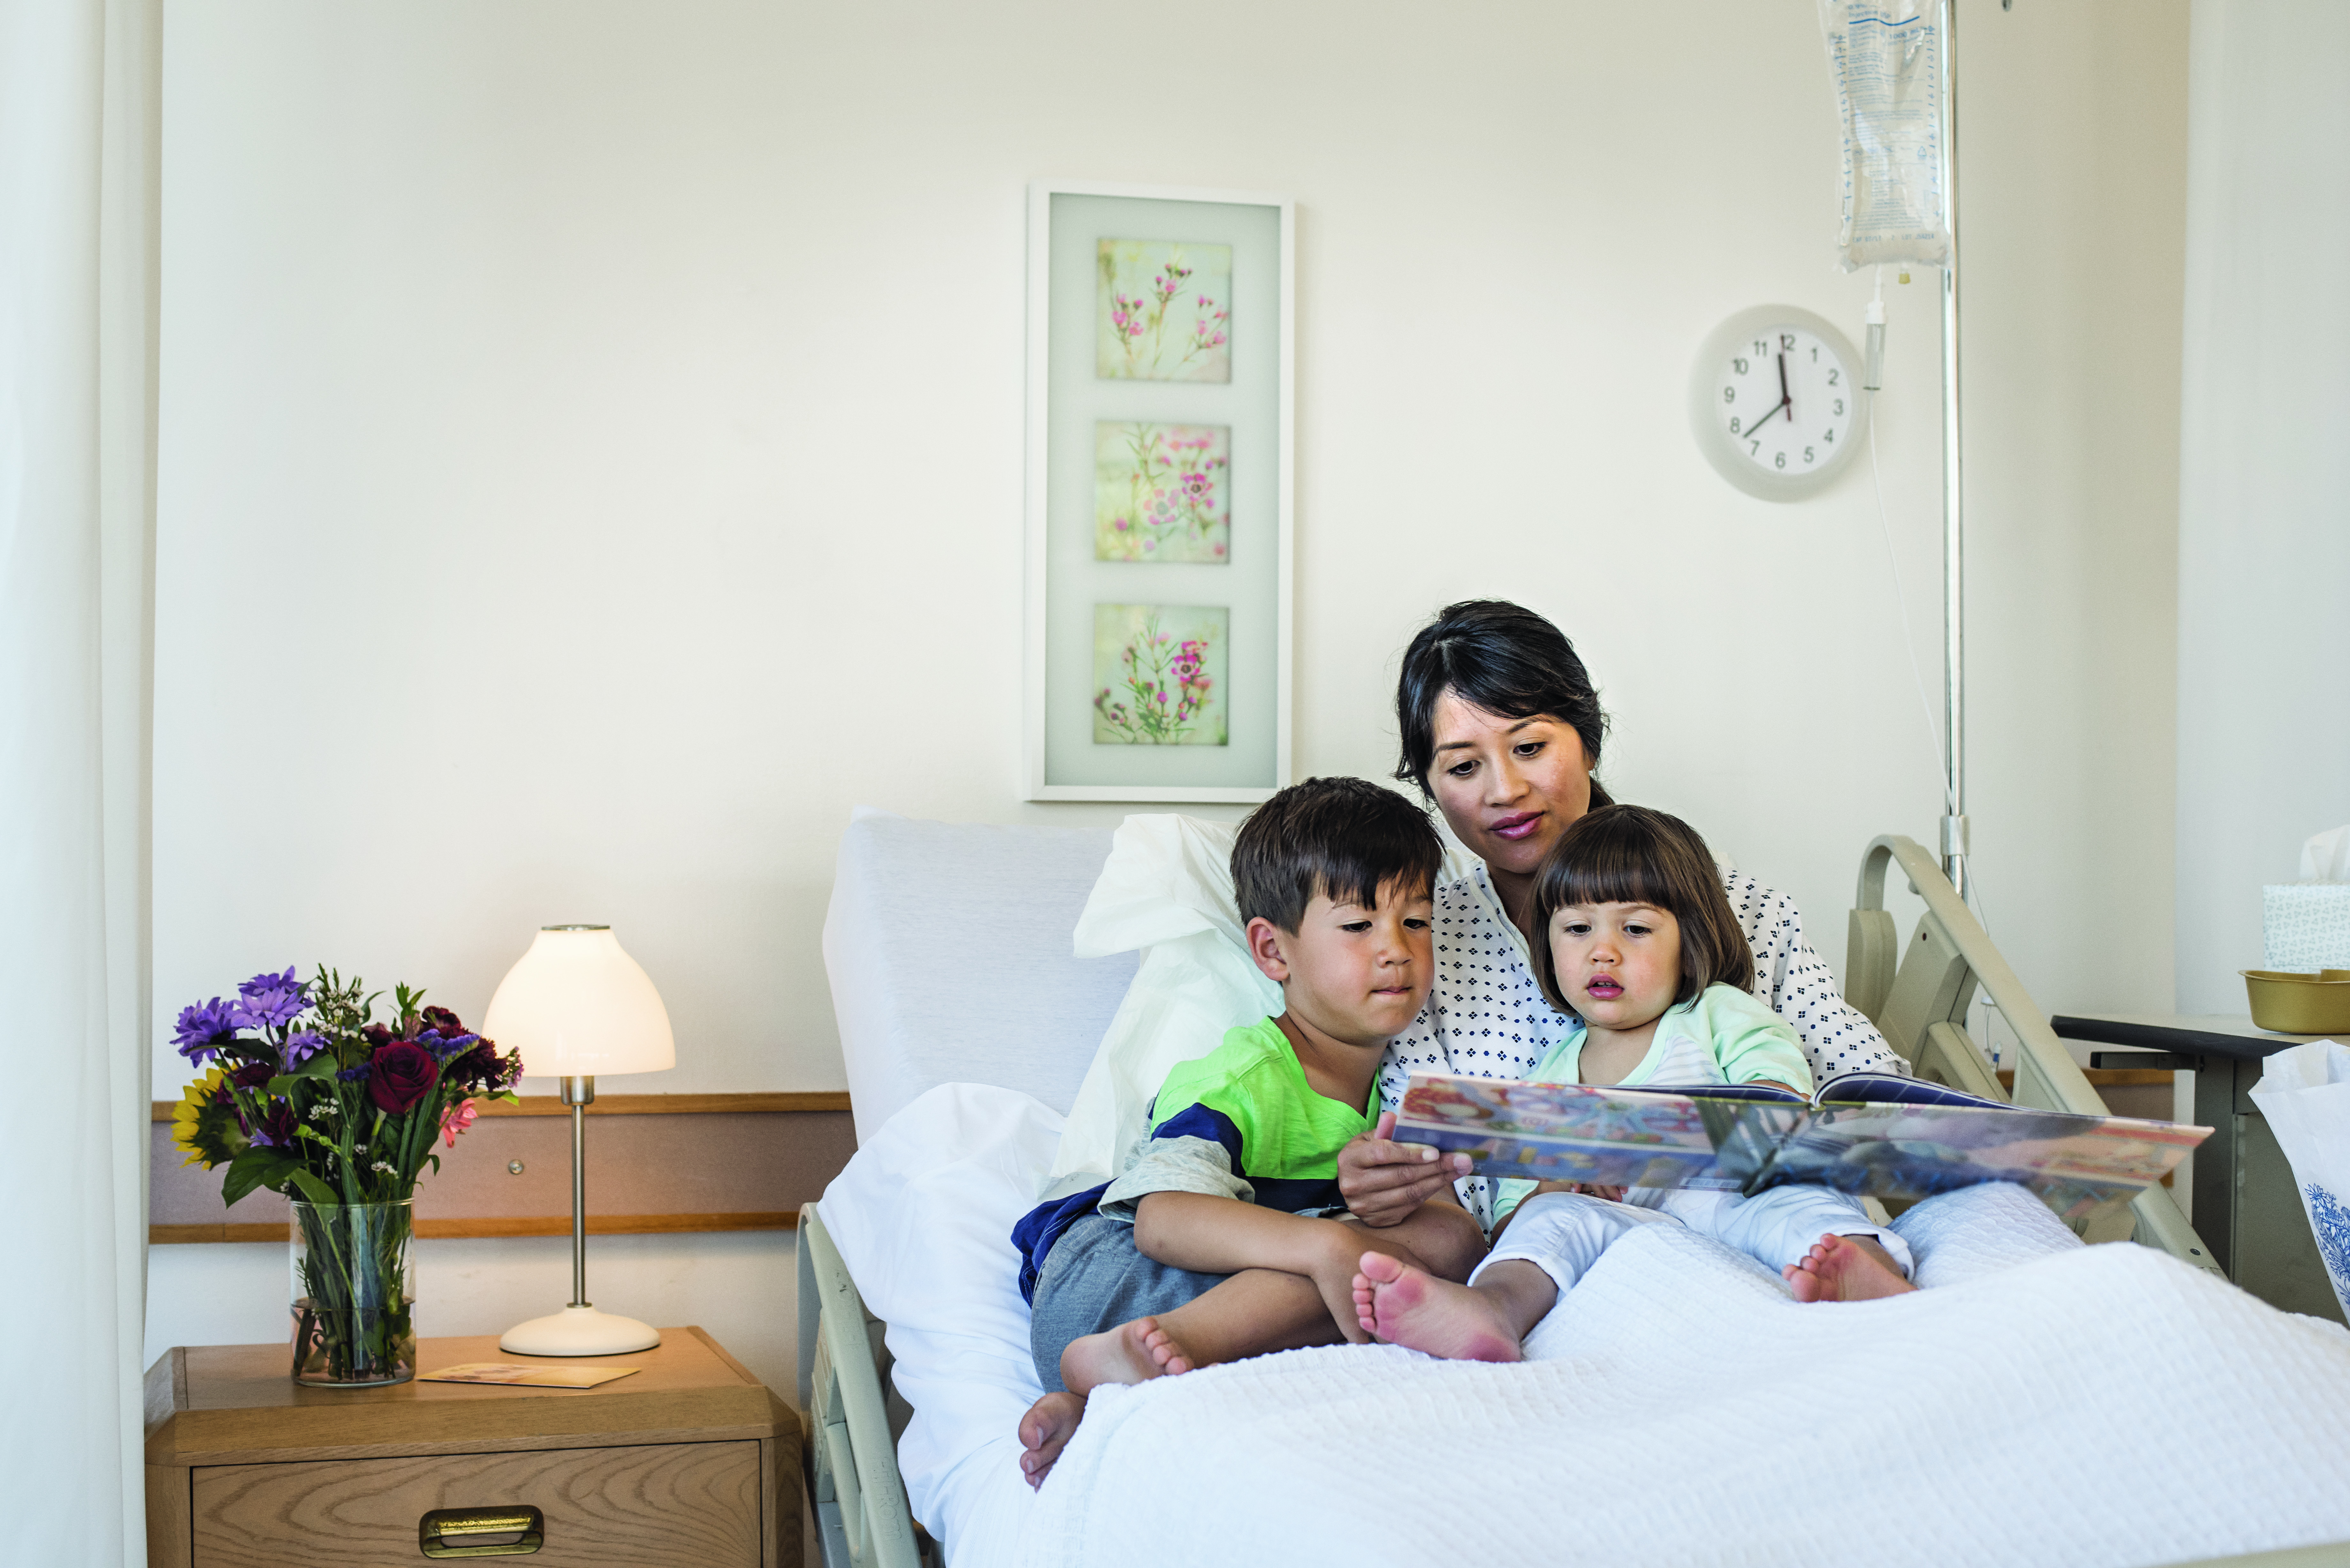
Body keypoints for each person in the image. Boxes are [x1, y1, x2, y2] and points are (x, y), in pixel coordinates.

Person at [1335, 599, 2082, 1298]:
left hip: (1770, 1240)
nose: (1503, 789)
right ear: (1430, 787)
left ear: (1587, 739)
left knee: (2014, 1235)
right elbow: (1448, 1190)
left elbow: (1853, 1085)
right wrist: (1399, 1185)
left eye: (1530, 746)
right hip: (1573, 1268)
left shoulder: (1739, 907)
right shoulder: (1421, 947)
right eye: (1463, 767)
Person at [1011, 777, 1486, 1486]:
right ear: (1271, 951)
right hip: (1110, 1279)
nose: (1395, 950)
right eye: (1357, 926)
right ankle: (1160, 1354)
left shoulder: (1402, 1083)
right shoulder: (1244, 1076)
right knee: (1357, 1264)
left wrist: (1384, 1219)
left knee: (1449, 1239)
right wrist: (1332, 1242)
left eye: (1414, 921)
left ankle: (1097, 1403)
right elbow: (1161, 1218)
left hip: (1158, 1327)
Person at [1353, 804, 1916, 1364]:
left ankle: (1866, 1269)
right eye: (1576, 929)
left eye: (1637, 929)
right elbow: (1511, 1209)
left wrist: (1750, 1111)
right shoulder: (1553, 1074)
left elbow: (1778, 1092)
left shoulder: (1716, 1014)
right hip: (1628, 1233)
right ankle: (1491, 1309)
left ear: (1690, 939)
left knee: (1799, 1198)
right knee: (1551, 1224)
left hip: (1733, 1200)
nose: (1603, 950)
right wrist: (1554, 1190)